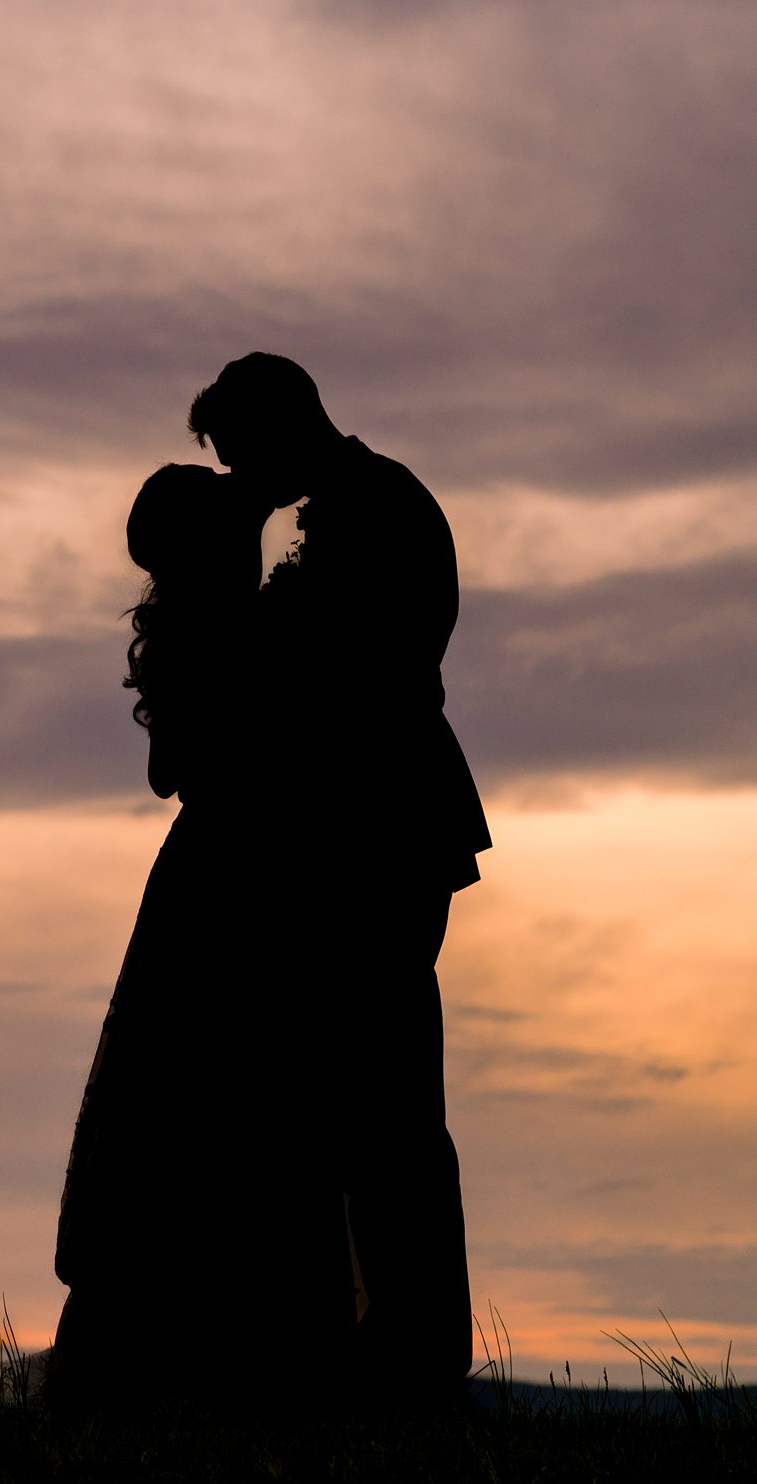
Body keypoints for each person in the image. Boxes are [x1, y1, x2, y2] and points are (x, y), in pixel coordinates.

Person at [189, 352, 491, 1400]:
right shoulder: (360, 504)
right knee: (354, 1090)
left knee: (389, 1095)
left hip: (384, 823)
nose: (238, 481)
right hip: (363, 823)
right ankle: (373, 1341)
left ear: (277, 429)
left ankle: (414, 1351)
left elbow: (331, 668)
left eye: (239, 456)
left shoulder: (376, 511)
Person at [48, 464, 357, 1410]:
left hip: (213, 870)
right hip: (258, 876)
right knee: (253, 1097)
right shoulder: (258, 627)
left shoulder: (190, 630)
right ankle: (263, 1350)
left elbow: (164, 770)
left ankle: (167, 1348)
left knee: (182, 1093)